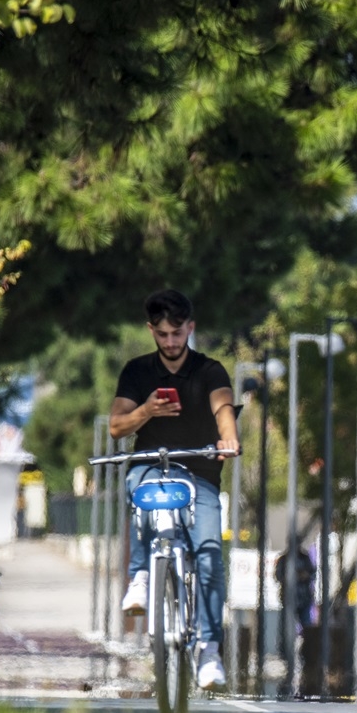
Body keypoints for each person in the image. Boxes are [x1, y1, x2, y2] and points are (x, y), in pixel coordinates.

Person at [109, 289, 240, 691]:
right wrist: (146, 411)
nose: (170, 342)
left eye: (177, 333)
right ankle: (142, 577)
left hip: (200, 474)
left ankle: (210, 651)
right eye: (162, 334)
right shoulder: (136, 371)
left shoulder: (210, 370)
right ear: (151, 331)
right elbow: (117, 426)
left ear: (190, 328)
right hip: (150, 467)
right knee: (141, 501)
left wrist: (229, 439)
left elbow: (223, 407)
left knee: (210, 556)